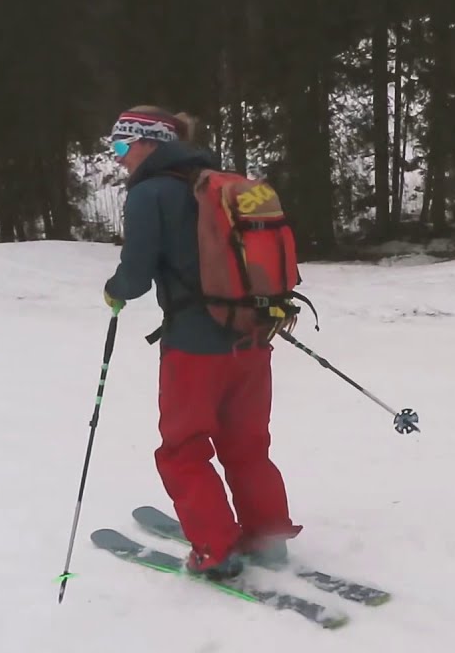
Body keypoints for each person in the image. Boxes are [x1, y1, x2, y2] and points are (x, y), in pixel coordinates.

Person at [102, 105, 302, 580]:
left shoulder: (150, 194)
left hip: (194, 349)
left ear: (148, 142)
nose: (119, 159)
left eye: (121, 146)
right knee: (247, 444)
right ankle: (268, 537)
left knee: (183, 449)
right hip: (251, 337)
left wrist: (114, 290)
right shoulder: (219, 185)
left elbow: (135, 275)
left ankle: (216, 549)